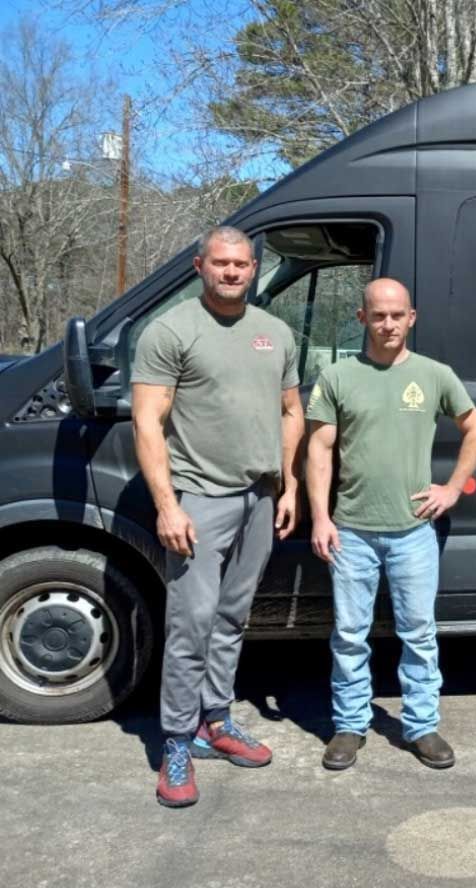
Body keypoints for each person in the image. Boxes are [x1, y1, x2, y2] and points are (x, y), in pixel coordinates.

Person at [132, 226, 303, 808]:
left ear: (255, 269)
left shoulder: (274, 333)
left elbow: (290, 411)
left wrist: (288, 485)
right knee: (191, 625)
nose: (232, 272)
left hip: (260, 496)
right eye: (221, 263)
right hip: (198, 499)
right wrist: (166, 504)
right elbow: (148, 422)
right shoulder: (171, 330)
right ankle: (177, 743)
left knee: (232, 618)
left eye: (242, 265)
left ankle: (217, 721)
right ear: (200, 265)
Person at [306, 277, 476, 771]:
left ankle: (422, 725)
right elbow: (319, 449)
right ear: (362, 318)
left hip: (412, 533)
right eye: (378, 315)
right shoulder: (338, 376)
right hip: (351, 532)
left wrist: (451, 488)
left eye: (397, 315)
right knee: (348, 634)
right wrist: (320, 517)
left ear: (412, 318)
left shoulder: (434, 375)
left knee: (419, 633)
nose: (388, 324)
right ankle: (349, 724)